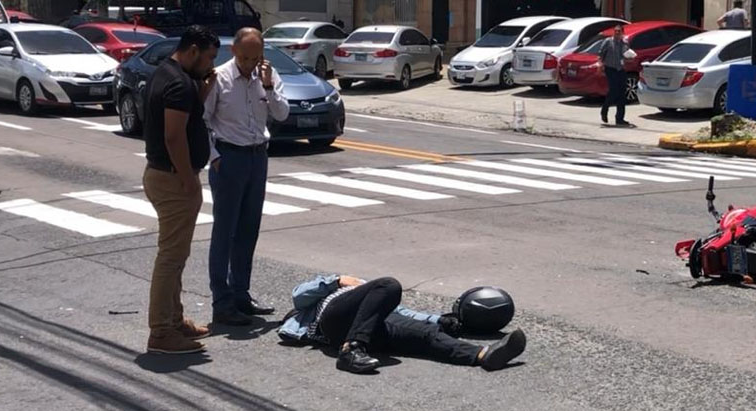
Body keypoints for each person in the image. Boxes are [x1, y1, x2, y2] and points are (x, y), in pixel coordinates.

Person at [204, 28, 290, 326]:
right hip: (229, 157)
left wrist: (267, 86)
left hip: (257, 156)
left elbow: (281, 113)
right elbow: (202, 119)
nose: (248, 64)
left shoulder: (267, 75)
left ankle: (241, 294)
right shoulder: (219, 77)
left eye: (254, 58)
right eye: (243, 57)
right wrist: (213, 157)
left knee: (249, 228)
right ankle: (222, 301)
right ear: (234, 52)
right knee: (225, 231)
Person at [142, 25, 219, 354]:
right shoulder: (178, 83)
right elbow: (174, 136)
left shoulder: (168, 73)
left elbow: (184, 121)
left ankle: (174, 320)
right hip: (173, 179)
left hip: (165, 175)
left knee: (176, 255)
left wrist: (200, 92)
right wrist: (188, 178)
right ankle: (161, 332)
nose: (211, 63)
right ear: (192, 51)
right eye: (209, 57)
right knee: (171, 258)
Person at [278, 275, 527, 374]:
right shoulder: (337, 289)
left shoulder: (377, 298)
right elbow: (298, 295)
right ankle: (350, 350)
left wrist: (439, 320)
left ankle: (485, 356)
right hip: (334, 321)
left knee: (425, 334)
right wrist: (338, 280)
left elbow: (405, 312)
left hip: (374, 327)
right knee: (389, 285)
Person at [599, 25, 633, 127]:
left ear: (622, 32)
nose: (617, 33)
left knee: (622, 94)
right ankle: (604, 109)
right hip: (610, 69)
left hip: (621, 69)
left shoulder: (625, 43)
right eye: (616, 31)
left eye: (619, 31)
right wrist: (600, 64)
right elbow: (601, 54)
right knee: (613, 91)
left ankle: (620, 118)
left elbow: (626, 56)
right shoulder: (608, 42)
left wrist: (630, 59)